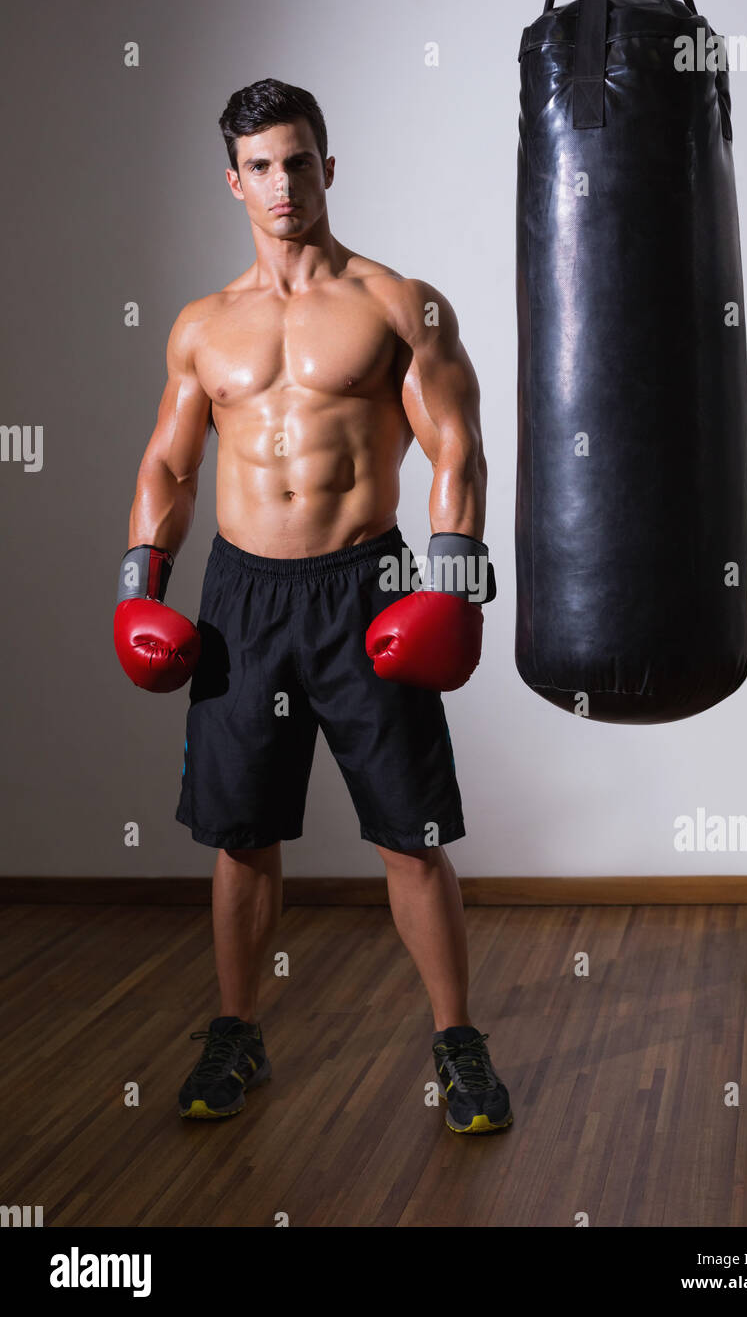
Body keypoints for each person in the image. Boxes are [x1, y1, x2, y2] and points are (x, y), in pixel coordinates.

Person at [114, 79, 512, 1135]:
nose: (281, 182)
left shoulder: (396, 303)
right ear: (232, 180)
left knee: (410, 832)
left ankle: (457, 1042)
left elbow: (456, 448)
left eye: (298, 161)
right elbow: (168, 462)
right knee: (238, 835)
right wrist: (134, 589)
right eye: (260, 165)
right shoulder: (204, 326)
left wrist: (454, 581)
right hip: (243, 598)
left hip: (366, 584)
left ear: (327, 168)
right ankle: (238, 1032)